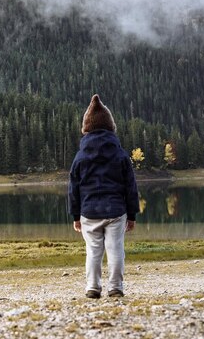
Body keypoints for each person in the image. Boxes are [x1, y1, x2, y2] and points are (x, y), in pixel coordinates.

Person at [68, 94, 139, 299]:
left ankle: (92, 287)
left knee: (93, 251)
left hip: (89, 212)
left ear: (86, 127)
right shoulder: (120, 154)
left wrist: (75, 216)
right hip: (116, 211)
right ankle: (115, 287)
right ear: (110, 126)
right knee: (116, 249)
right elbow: (130, 186)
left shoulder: (80, 156)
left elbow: (73, 188)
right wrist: (132, 214)